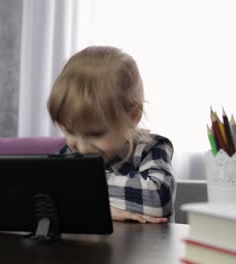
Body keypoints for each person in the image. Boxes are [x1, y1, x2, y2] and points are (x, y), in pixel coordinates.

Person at [47, 46, 175, 224]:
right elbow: (46, 196)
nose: (81, 147)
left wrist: (79, 190)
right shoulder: (70, 153)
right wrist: (100, 207)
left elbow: (158, 198)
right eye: (69, 130)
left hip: (143, 249)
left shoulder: (151, 148)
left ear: (133, 116)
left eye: (96, 133)